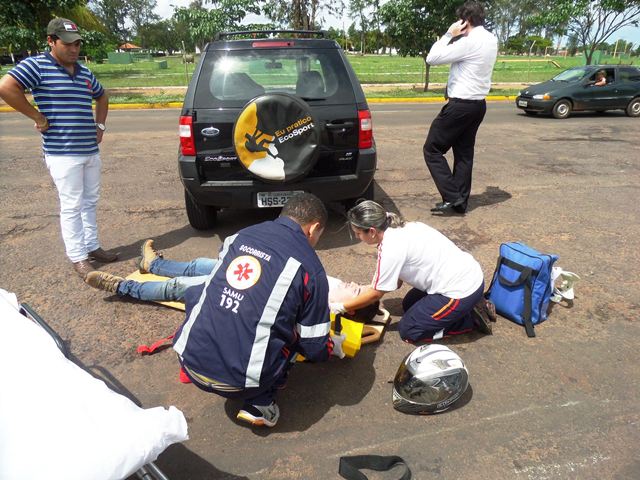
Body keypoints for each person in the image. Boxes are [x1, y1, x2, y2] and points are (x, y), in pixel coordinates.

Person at [172, 193, 344, 428]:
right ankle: (259, 404)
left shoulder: (240, 236)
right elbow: (314, 348)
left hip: (187, 358)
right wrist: (332, 346)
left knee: (204, 294)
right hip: (237, 382)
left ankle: (191, 365)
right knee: (293, 337)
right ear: (313, 229)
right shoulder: (309, 268)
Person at [0, 18, 116, 278]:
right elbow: (6, 87)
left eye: (77, 44)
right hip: (63, 153)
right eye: (67, 44)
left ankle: (92, 246)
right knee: (72, 204)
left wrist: (100, 126)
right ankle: (78, 257)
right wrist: (38, 118)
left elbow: (102, 96)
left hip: (89, 150)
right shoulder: (37, 66)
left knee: (90, 201)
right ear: (51, 41)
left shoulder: (84, 71)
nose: (74, 49)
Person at [331, 200, 495, 344]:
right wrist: (372, 286)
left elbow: (376, 294)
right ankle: (468, 306)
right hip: (467, 274)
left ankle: (471, 319)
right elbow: (396, 281)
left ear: (372, 231)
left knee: (410, 331)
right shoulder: (407, 227)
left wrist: (340, 307)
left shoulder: (390, 248)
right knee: (409, 304)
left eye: (359, 233)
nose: (358, 237)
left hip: (461, 291)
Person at [423, 1, 498, 215]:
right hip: (478, 106)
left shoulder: (469, 42)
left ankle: (452, 196)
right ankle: (460, 203)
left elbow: (432, 58)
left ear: (465, 21)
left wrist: (449, 34)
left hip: (460, 106)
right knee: (464, 154)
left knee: (432, 149)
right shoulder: (491, 39)